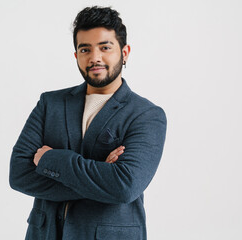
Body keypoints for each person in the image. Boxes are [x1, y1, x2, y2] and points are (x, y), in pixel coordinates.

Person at [9, 6, 166, 240]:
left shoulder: (146, 115)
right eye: (85, 49)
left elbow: (124, 187)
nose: (95, 58)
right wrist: (101, 172)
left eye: (105, 47)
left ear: (125, 52)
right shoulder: (50, 103)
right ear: (76, 56)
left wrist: (52, 162)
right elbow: (19, 174)